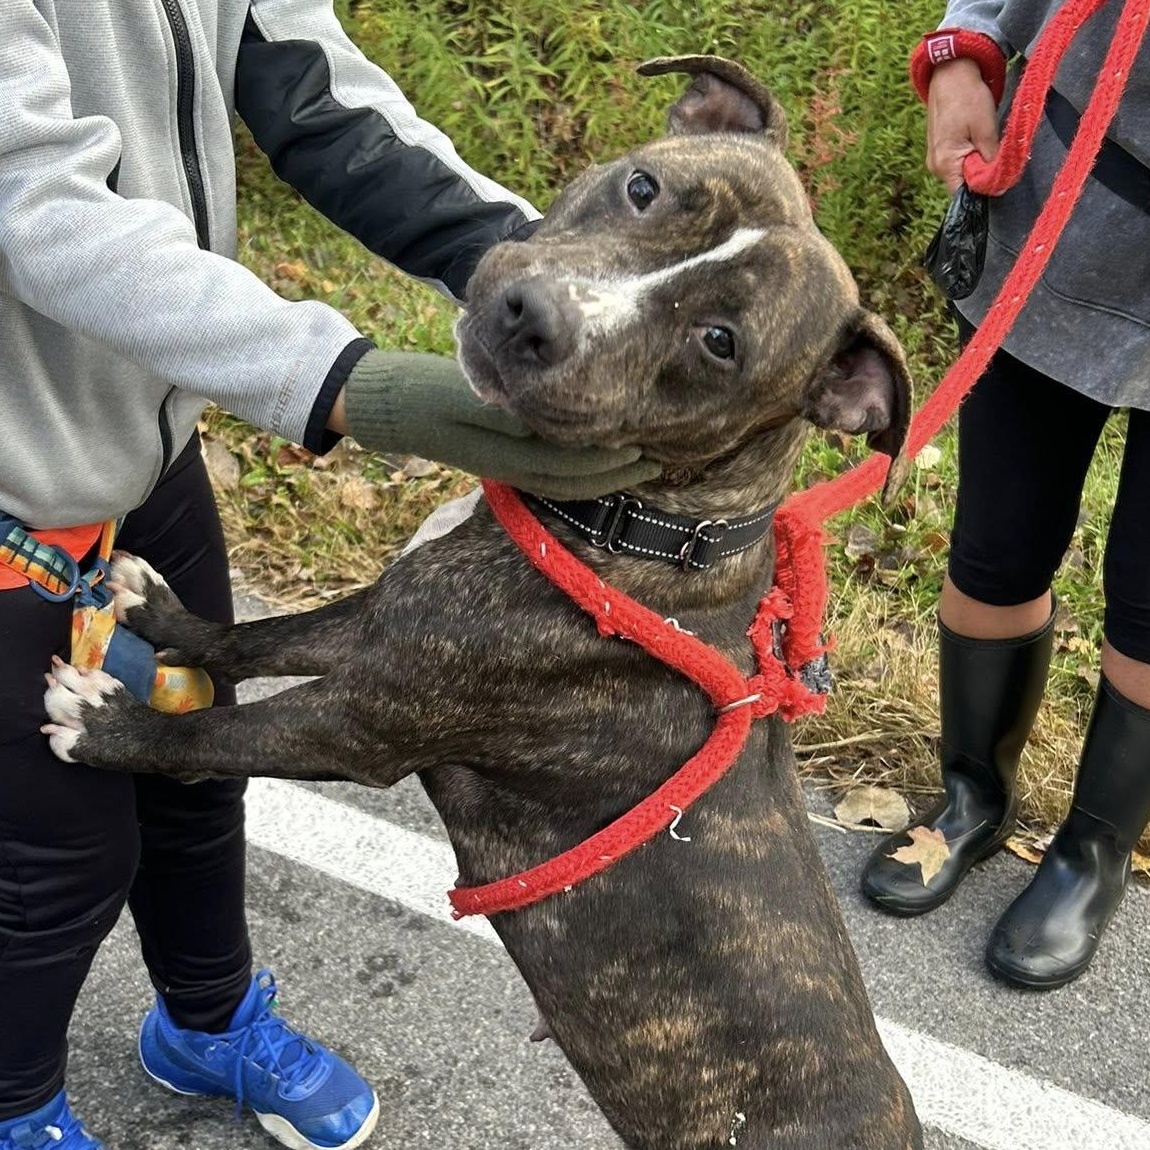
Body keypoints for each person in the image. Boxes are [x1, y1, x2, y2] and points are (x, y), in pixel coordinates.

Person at [0, 3, 658, 1148]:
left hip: (141, 454)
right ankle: (14, 1106)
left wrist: (546, 288)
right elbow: (39, 208)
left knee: (195, 760)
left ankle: (203, 1026)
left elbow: (320, 99)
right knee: (58, 857)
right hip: (17, 487)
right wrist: (352, 383)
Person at [860, 0, 1150, 991]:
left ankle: (1092, 853)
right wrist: (961, 55)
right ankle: (970, 794)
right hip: (1069, 213)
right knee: (995, 544)